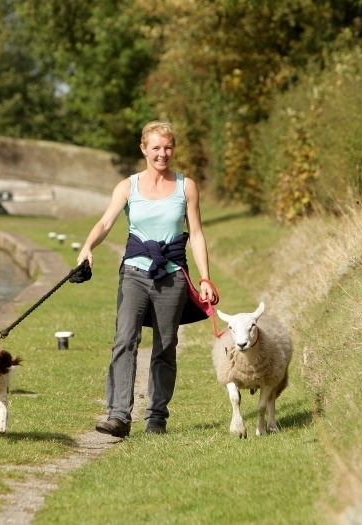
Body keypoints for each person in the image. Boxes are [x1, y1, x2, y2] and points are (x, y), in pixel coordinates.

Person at [77, 120, 216, 437]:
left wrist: (205, 278)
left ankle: (156, 418)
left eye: (168, 147)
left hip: (172, 276)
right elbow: (105, 222)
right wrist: (87, 247)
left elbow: (195, 233)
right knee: (125, 339)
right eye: (156, 147)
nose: (162, 153)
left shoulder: (186, 186)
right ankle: (118, 416)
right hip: (135, 273)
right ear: (144, 149)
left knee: (166, 347)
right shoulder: (128, 187)